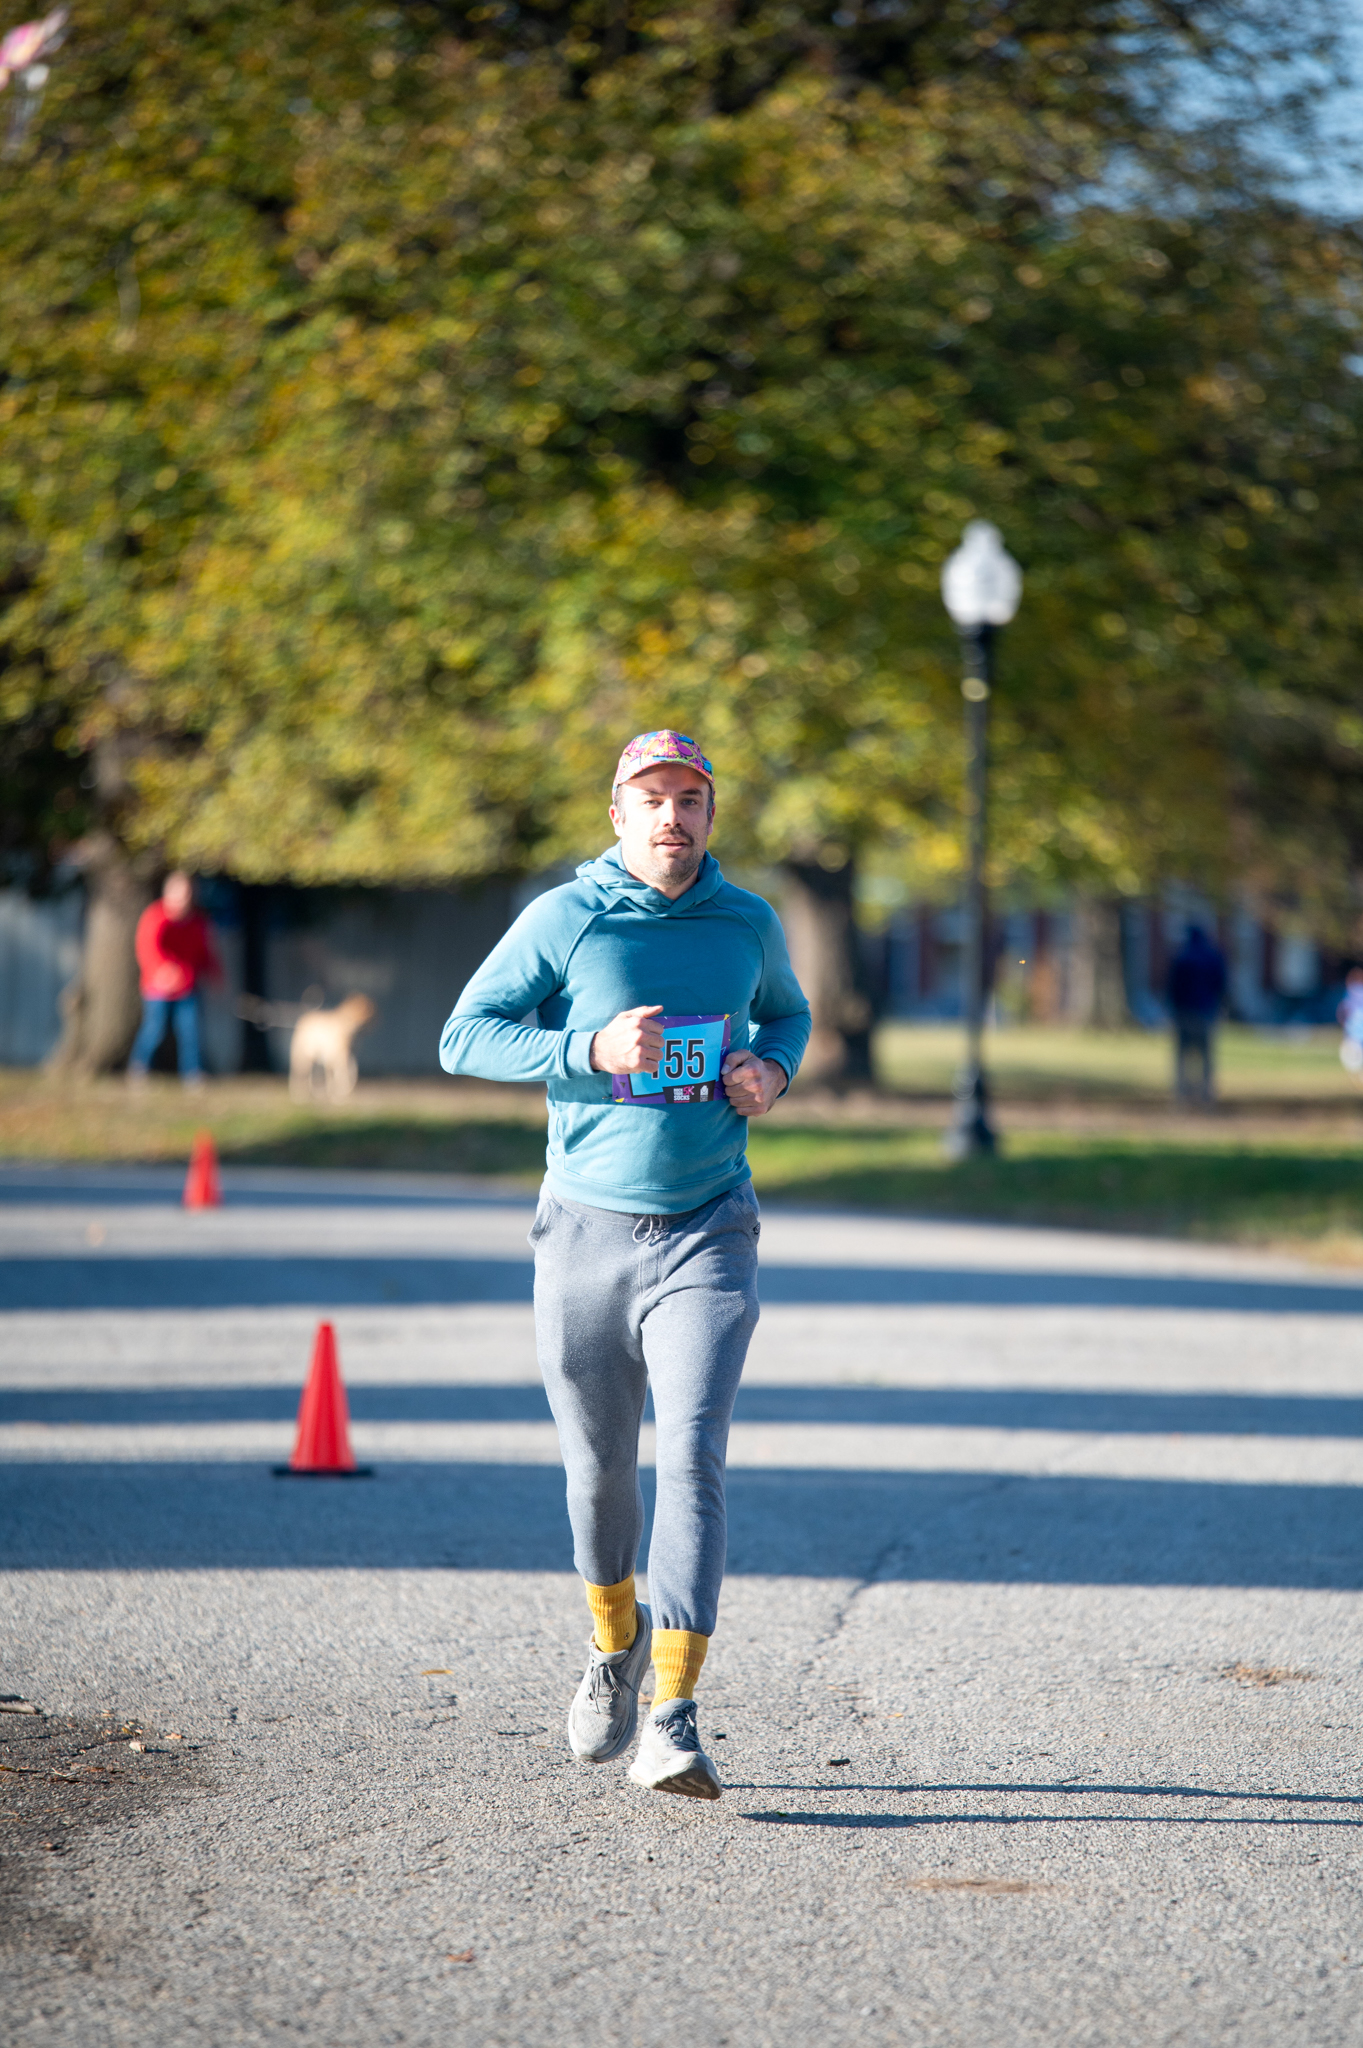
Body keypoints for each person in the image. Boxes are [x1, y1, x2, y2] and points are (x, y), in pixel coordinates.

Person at [440, 730, 811, 1801]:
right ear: (617, 811)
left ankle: (675, 1715)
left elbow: (786, 1008)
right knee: (598, 1473)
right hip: (585, 1234)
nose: (671, 818)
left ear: (710, 810)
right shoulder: (568, 917)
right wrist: (586, 1050)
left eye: (689, 799)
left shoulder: (748, 920)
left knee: (691, 1452)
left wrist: (769, 1067)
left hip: (708, 1228)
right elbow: (464, 1035)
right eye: (651, 799)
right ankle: (616, 1646)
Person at [128, 871, 222, 1088]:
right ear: (168, 892)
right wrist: (162, 971)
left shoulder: (197, 921)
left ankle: (193, 1074)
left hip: (187, 987)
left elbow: (204, 952)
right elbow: (147, 948)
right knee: (154, 1029)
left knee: (191, 1032)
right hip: (157, 987)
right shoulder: (155, 916)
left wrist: (215, 975)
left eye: (187, 893)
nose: (183, 898)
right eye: (178, 892)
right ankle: (139, 1068)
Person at [1167, 922, 1226, 1103]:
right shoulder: (1213, 956)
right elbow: (1221, 984)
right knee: (1206, 1056)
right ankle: (1206, 1094)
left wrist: (1174, 1007)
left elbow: (1173, 986)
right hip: (1206, 1011)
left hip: (1184, 1012)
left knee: (1182, 1057)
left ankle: (1182, 1095)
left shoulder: (1182, 957)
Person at [1337, 967, 1363, 1077]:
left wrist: (1343, 1023)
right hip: (1356, 1028)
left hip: (1353, 1028)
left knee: (1354, 1055)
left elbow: (1343, 1010)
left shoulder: (1350, 992)